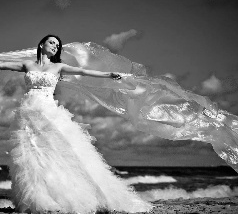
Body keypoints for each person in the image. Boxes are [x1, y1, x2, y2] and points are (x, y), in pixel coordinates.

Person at [0, 35, 153, 213]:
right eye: (52, 43)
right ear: (42, 44)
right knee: (31, 157)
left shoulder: (59, 67)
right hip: (28, 114)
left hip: (49, 113)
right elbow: (2, 64)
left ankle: (68, 196)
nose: (55, 47)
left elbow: (83, 72)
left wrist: (108, 75)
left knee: (59, 153)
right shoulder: (28, 65)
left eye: (58, 45)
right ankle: (37, 199)